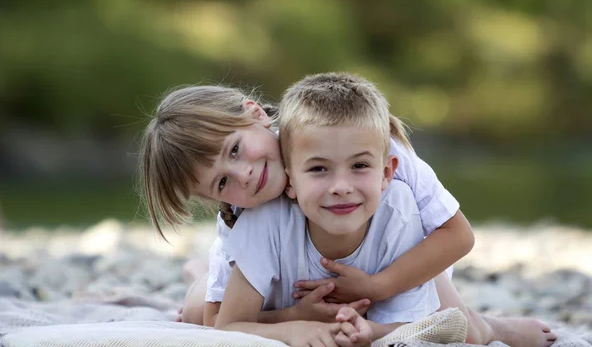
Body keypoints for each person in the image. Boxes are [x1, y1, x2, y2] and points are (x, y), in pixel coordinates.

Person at [140, 75, 556, 347]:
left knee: (458, 325)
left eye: (235, 150)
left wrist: (377, 287)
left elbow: (457, 235)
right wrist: (293, 316)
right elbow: (222, 322)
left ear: (253, 113)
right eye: (222, 183)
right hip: (284, 281)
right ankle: (198, 272)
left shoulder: (354, 145)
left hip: (389, 260)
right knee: (196, 314)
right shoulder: (243, 218)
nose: (244, 175)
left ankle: (491, 325)